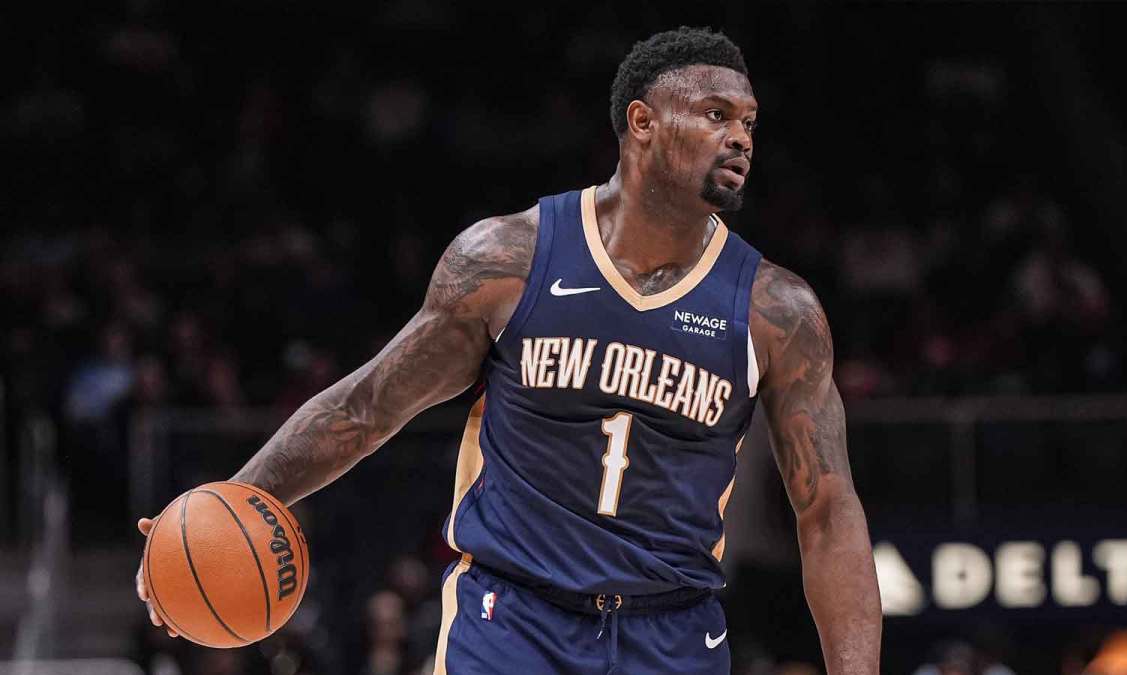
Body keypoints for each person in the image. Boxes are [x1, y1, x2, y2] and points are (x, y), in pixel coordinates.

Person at [135, 26, 881, 674]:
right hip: (512, 617)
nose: (741, 136)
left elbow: (829, 514)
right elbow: (367, 408)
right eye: (716, 114)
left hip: (675, 627)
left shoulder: (776, 310)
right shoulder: (508, 259)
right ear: (642, 122)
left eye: (749, 120)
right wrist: (226, 503)